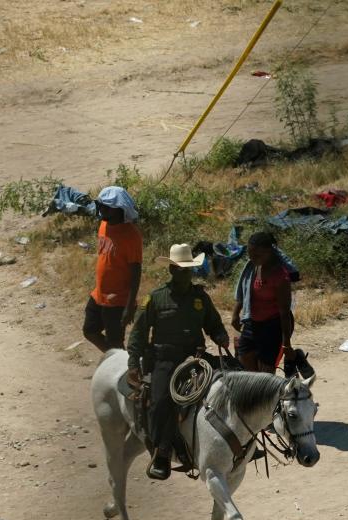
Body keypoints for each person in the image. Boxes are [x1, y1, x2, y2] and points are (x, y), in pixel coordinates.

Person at [127, 243, 231, 481]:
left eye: (190, 270)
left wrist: (220, 336)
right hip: (166, 359)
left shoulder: (200, 298)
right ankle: (161, 453)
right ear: (172, 270)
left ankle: (240, 440)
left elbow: (213, 324)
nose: (187, 275)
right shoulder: (155, 298)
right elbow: (138, 333)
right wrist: (133, 362)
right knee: (162, 401)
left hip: (195, 358)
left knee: (231, 384)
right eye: (182, 270)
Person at [83, 186, 143, 352]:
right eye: (101, 206)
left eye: (106, 208)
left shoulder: (131, 236)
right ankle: (117, 361)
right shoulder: (103, 225)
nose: (102, 211)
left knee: (115, 342)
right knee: (89, 330)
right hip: (99, 293)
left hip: (118, 300)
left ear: (120, 210)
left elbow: (136, 272)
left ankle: (124, 371)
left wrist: (129, 306)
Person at [231, 231, 299, 372]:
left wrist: (286, 344)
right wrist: (235, 313)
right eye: (250, 254)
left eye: (257, 255)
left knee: (266, 374)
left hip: (273, 326)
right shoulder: (253, 267)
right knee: (245, 364)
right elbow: (244, 291)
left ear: (269, 252)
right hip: (252, 323)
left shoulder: (280, 276)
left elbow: (284, 312)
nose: (252, 258)